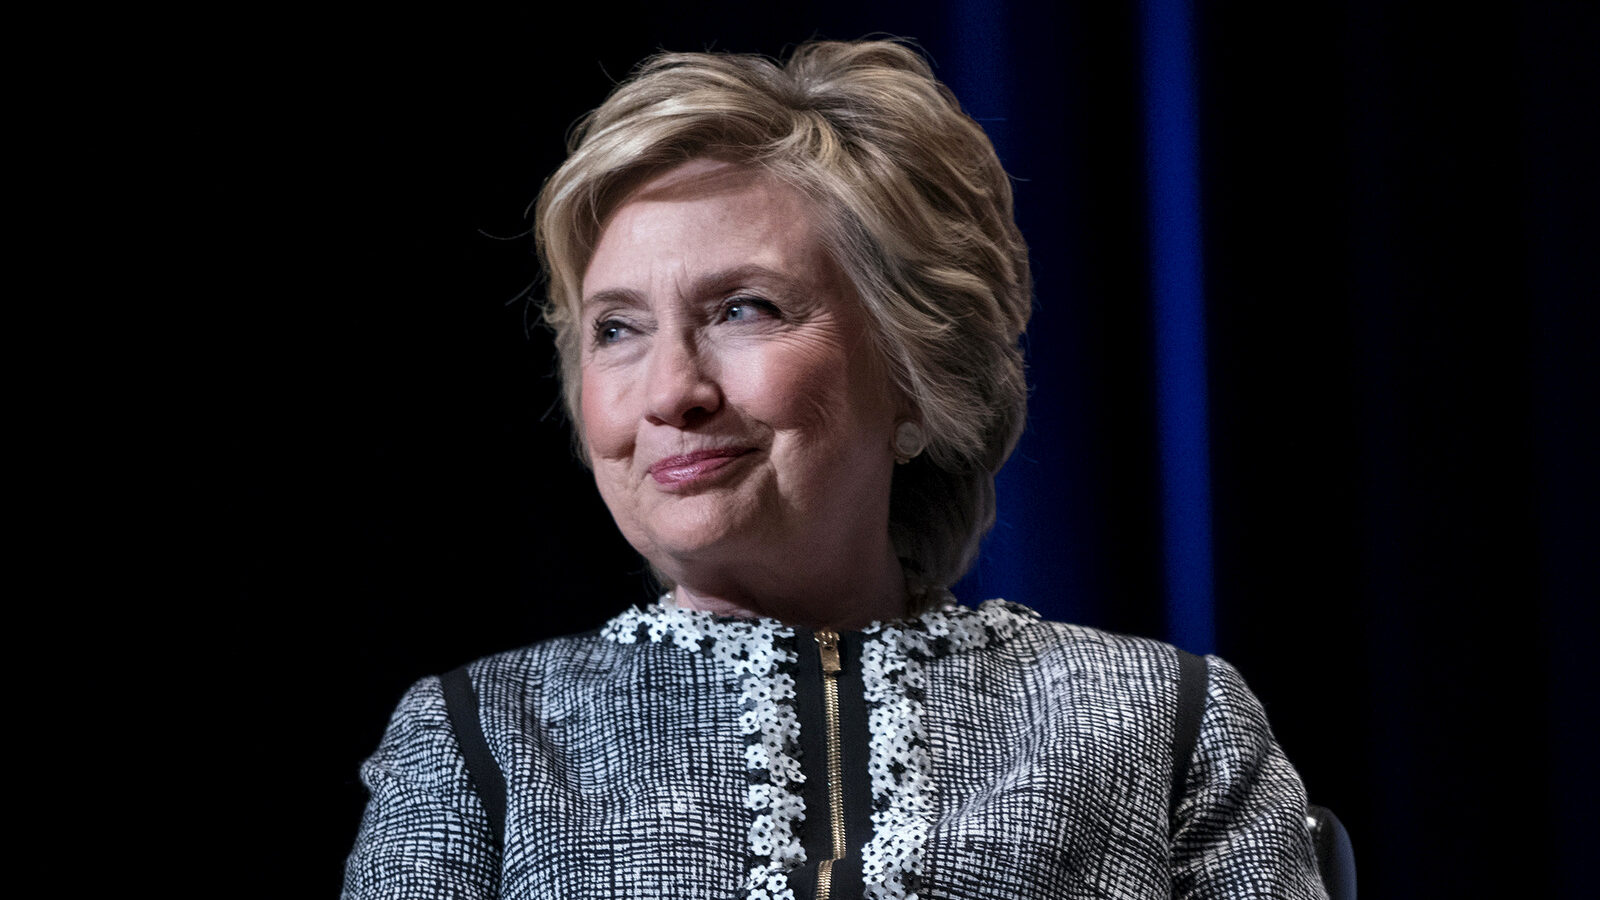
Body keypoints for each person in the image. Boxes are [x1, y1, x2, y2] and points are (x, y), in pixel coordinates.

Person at [342, 39, 1327, 899]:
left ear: (913, 368)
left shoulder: (1161, 723)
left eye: (745, 309)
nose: (669, 390)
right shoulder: (478, 743)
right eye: (618, 329)